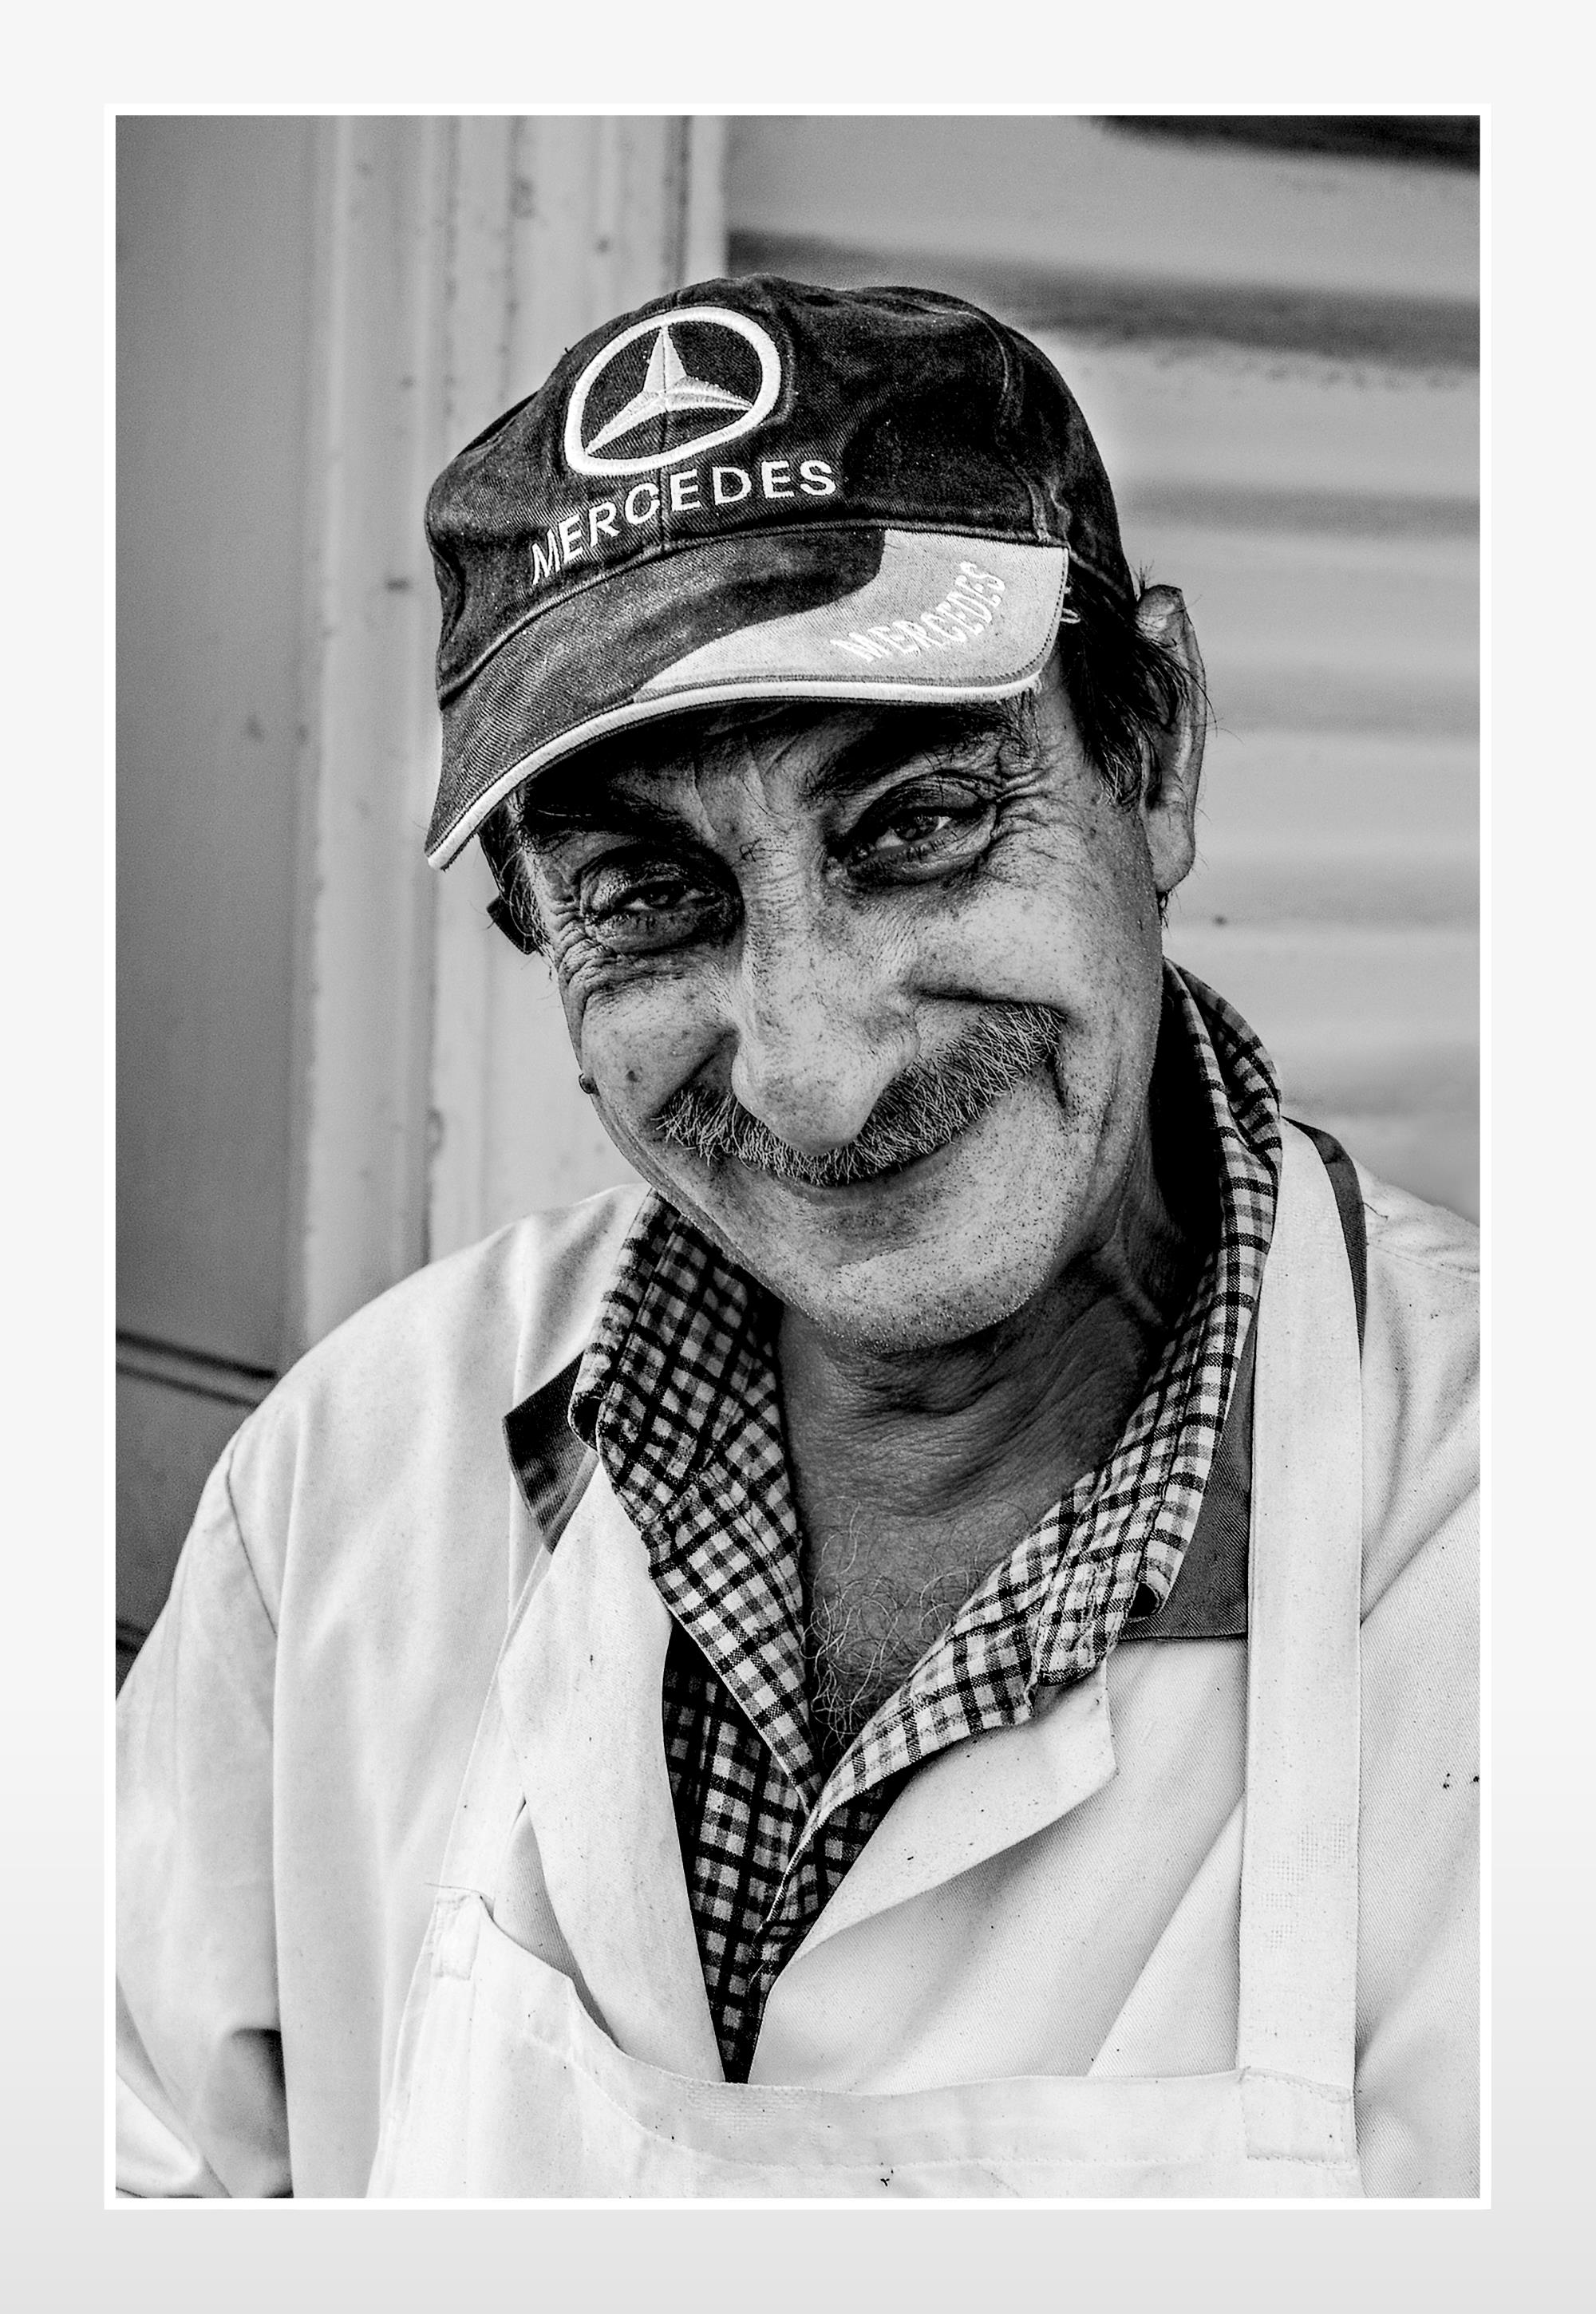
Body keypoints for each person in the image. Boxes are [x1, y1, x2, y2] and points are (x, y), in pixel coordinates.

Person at [116, 277, 1479, 2199]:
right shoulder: (349, 1479)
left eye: (916, 821)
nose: (811, 1077)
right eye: (646, 897)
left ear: (1153, 752)